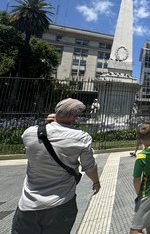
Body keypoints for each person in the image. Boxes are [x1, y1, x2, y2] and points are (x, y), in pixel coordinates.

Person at [11, 98, 100, 234]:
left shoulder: (29, 133)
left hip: (27, 204)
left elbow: (47, 138)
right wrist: (96, 181)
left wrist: (51, 123)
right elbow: (89, 167)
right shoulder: (81, 138)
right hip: (61, 203)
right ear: (75, 116)